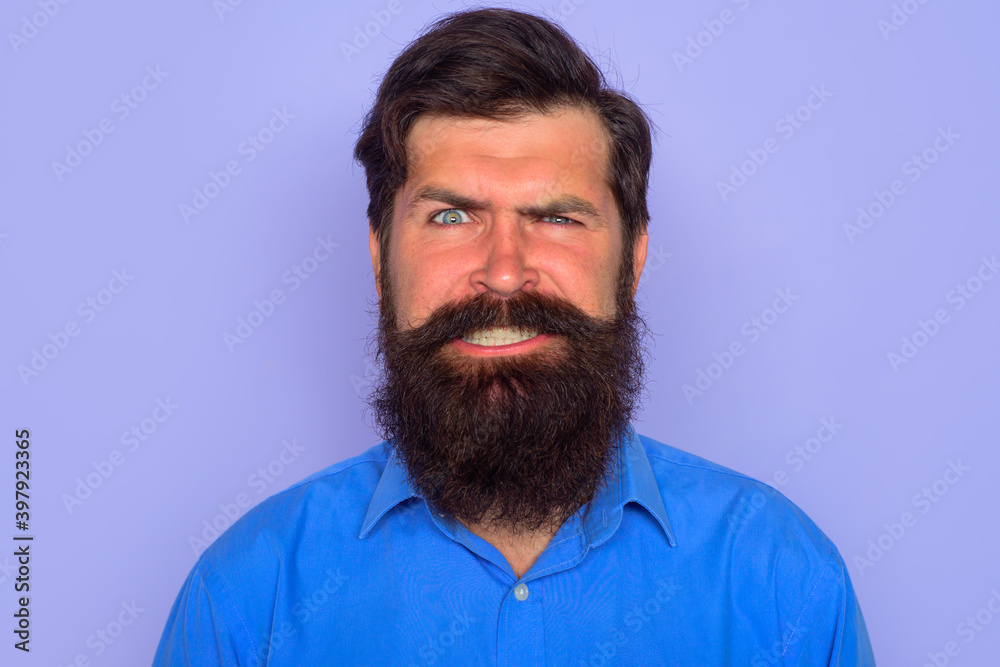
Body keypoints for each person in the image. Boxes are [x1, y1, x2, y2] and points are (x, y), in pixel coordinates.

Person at [154, 8, 875, 665]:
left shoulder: (783, 580)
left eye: (556, 218)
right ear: (380, 259)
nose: (503, 273)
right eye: (450, 217)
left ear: (633, 260)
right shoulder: (249, 597)